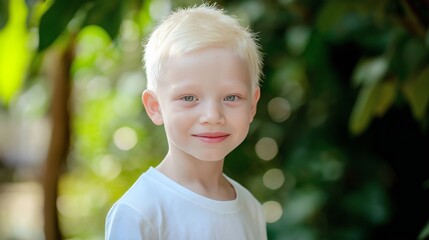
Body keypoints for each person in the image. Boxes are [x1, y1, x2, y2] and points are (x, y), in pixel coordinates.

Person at [105, 3, 266, 239]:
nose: (212, 116)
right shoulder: (139, 212)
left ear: (252, 105)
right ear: (155, 107)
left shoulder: (251, 208)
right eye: (189, 97)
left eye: (231, 97)